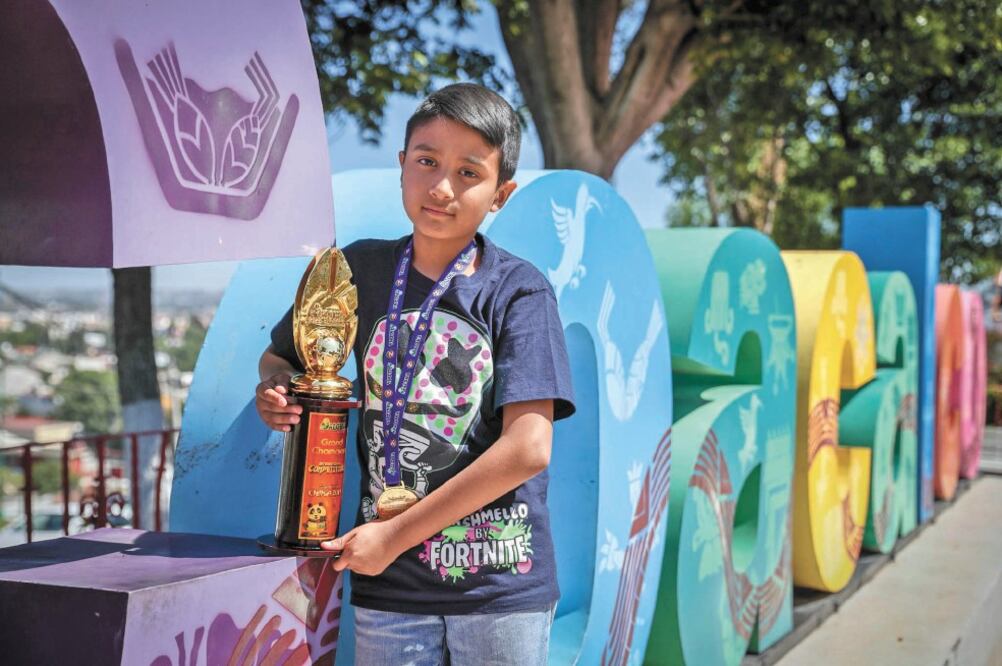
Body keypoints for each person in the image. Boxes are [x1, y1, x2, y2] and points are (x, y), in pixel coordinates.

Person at [255, 83, 575, 665]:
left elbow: (528, 449)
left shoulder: (519, 291)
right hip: (391, 584)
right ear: (402, 165)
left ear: (501, 194)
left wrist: (393, 536)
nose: (442, 187)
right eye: (427, 162)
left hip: (496, 581)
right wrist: (278, 391)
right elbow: (283, 359)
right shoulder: (357, 270)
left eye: (469, 173)